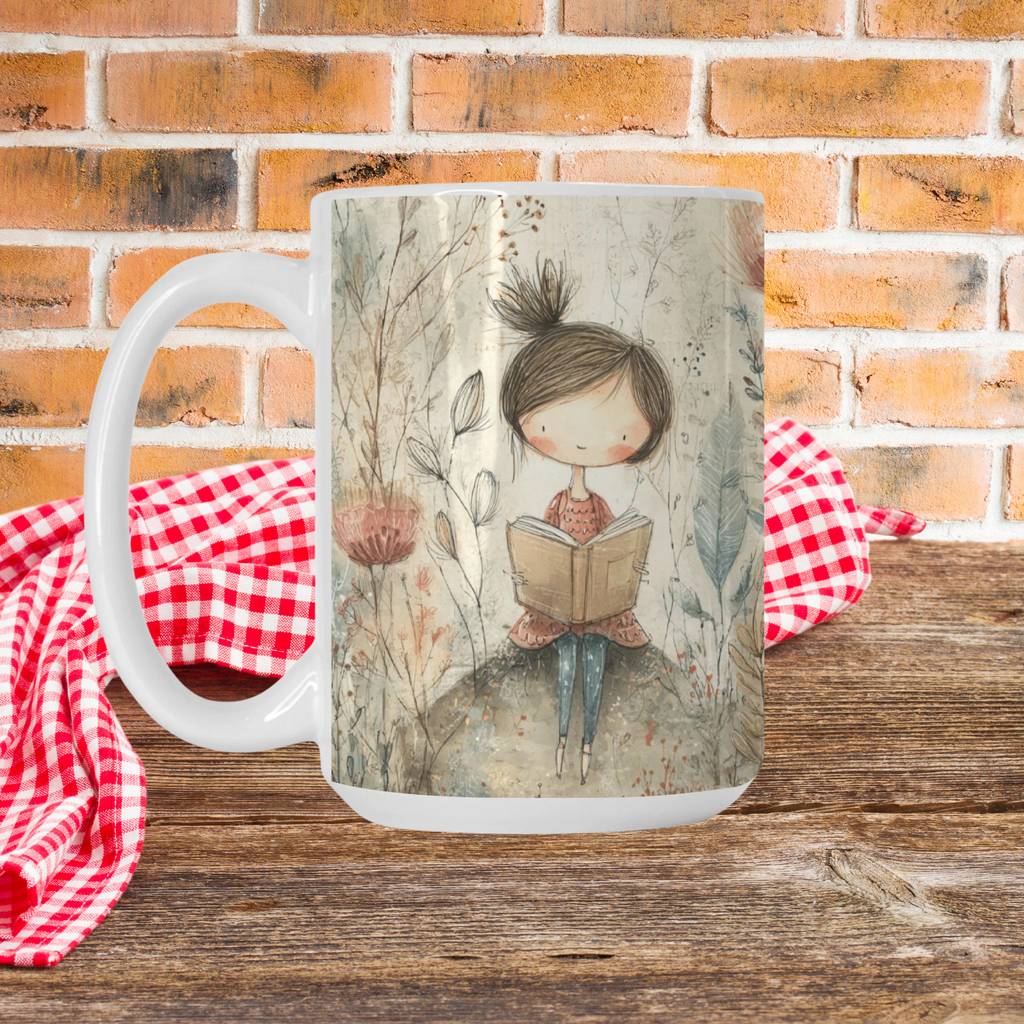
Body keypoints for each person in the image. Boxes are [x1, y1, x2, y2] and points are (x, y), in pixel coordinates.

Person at [493, 257, 674, 784]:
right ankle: (563, 742)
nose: (582, 442)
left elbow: (615, 545)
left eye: (618, 431)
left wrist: (621, 571)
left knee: (593, 667)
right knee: (567, 667)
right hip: (555, 612)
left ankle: (587, 741)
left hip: (601, 613)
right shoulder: (556, 502)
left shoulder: (599, 507)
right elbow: (545, 546)